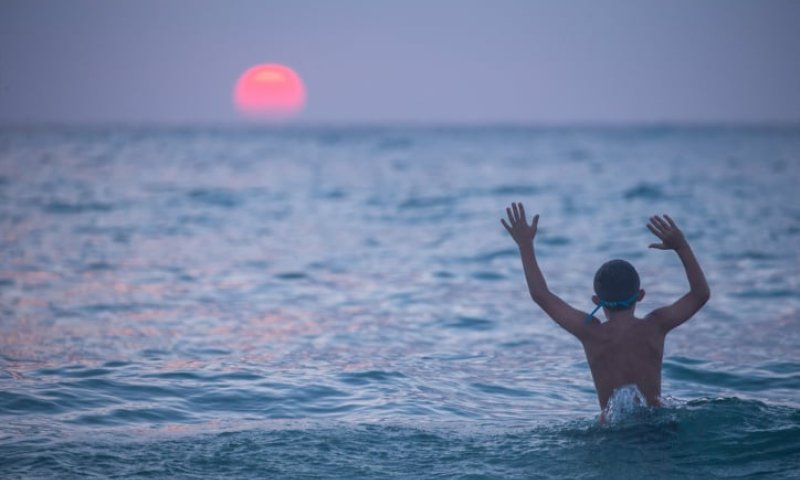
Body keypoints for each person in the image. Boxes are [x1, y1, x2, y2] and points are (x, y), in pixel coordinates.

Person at [501, 202, 710, 416]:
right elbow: (700, 294)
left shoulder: (590, 332)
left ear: (596, 300)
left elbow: (541, 295)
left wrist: (525, 245)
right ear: (640, 295)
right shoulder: (656, 325)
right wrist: (681, 246)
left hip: (612, 432)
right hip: (656, 428)